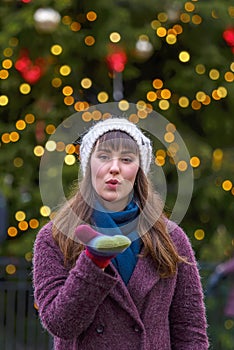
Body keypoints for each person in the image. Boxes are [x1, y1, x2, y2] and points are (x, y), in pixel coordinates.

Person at [33, 117, 209, 350]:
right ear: (89, 166)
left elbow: (190, 333)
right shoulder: (55, 237)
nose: (114, 167)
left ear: (139, 170)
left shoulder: (171, 238)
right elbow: (60, 324)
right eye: (104, 157)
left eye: (126, 159)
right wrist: (93, 263)